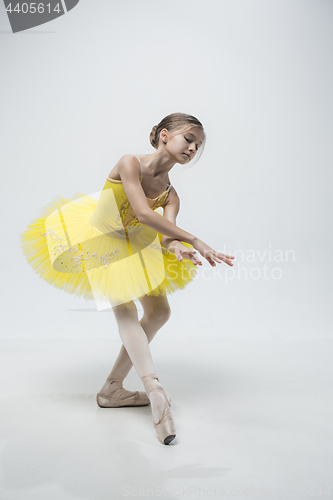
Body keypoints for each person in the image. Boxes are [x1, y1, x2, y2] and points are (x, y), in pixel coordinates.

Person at [20, 112, 235, 445]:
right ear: (165, 135)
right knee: (125, 308)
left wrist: (177, 246)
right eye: (188, 139)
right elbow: (144, 213)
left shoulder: (172, 194)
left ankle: (112, 389)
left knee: (160, 312)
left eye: (198, 146)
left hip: (135, 246)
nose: (192, 149)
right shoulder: (129, 162)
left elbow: (163, 235)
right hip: (99, 241)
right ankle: (153, 385)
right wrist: (194, 238)